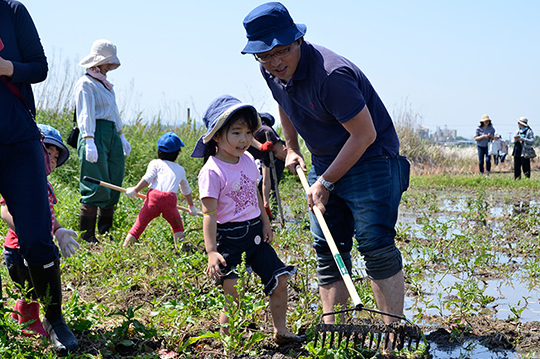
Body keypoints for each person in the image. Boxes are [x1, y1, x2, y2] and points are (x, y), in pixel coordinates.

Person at [242, 2, 410, 325]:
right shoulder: (269, 70)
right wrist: (291, 148)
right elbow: (285, 104)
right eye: (264, 55)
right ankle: (336, 330)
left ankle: (393, 335)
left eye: (282, 50)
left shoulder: (332, 76)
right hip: (324, 161)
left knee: (375, 244)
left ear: (298, 40)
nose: (275, 62)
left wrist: (326, 182)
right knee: (328, 247)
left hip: (371, 159)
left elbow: (364, 135)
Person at [191, 94, 303, 344]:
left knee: (279, 280)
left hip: (254, 234)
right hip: (229, 239)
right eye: (236, 133)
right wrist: (211, 251)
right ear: (217, 136)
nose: (244, 140)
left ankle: (281, 331)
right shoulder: (211, 171)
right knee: (234, 295)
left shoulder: (249, 161)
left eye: (247, 133)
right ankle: (230, 343)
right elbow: (209, 214)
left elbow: (254, 194)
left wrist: (265, 221)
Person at [0, 0, 78, 353]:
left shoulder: (12, 11)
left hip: (17, 138)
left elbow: (39, 67)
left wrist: (6, 66)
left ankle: (54, 318)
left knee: (35, 236)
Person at [1, 124, 80, 338]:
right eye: (47, 154)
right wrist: (27, 230)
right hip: (20, 248)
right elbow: (5, 209)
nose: (52, 161)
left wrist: (59, 230)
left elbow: (47, 216)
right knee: (32, 286)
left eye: (56, 158)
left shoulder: (44, 184)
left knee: (34, 285)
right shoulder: (19, 181)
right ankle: (29, 321)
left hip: (36, 244)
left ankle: (19, 314)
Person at [74, 39, 131, 243]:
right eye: (108, 63)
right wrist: (89, 139)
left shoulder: (107, 86)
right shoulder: (85, 84)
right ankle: (87, 236)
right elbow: (85, 113)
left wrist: (121, 135)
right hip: (94, 133)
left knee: (113, 181)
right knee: (95, 183)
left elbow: (113, 112)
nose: (110, 68)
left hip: (111, 135)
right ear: (98, 62)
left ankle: (106, 232)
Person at [123, 132, 199, 249]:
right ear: (177, 153)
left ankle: (125, 248)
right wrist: (191, 206)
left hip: (153, 198)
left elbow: (147, 179)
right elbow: (186, 190)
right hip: (170, 200)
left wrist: (135, 190)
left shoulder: (155, 163)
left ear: (158, 151)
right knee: (177, 225)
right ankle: (180, 250)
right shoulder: (180, 169)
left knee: (139, 224)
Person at [247, 112, 286, 219]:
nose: (284, 159)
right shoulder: (267, 132)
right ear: (284, 148)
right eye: (285, 156)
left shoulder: (271, 155)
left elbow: (266, 180)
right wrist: (260, 146)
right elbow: (247, 134)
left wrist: (266, 203)